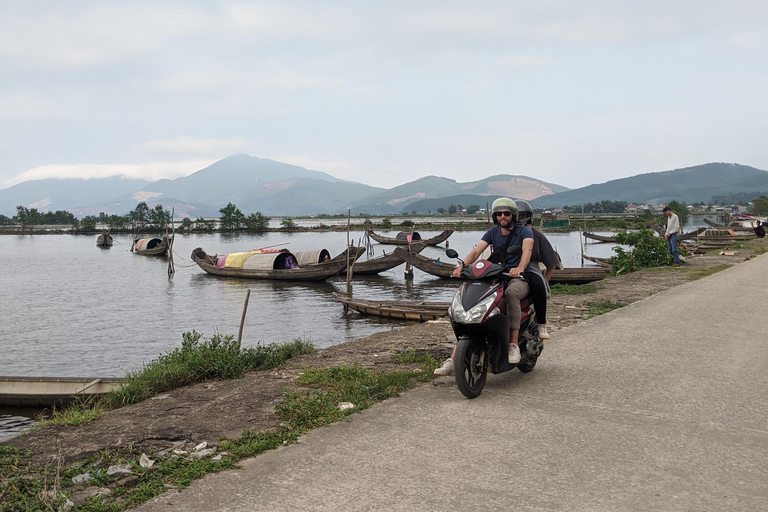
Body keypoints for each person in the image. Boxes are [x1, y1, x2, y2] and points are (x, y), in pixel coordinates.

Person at [434, 198, 533, 376]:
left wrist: (519, 268)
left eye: (506, 213)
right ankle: (453, 358)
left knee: (511, 294)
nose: (503, 216)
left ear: (513, 215)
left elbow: (527, 251)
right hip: (496, 276)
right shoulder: (492, 232)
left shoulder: (524, 232)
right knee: (473, 297)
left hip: (517, 277)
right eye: (499, 214)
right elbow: (476, 252)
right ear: (495, 216)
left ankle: (512, 344)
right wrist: (462, 266)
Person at [515, 200, 559, 341]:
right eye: (517, 216)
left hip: (531, 268)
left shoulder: (536, 234)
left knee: (538, 287)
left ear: (529, 217)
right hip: (509, 268)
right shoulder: (507, 233)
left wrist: (545, 279)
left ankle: (542, 324)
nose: (520, 220)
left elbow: (551, 261)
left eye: (523, 216)